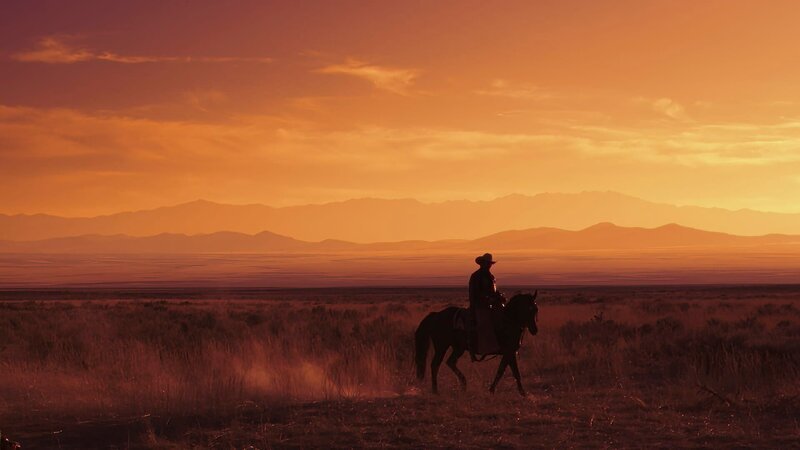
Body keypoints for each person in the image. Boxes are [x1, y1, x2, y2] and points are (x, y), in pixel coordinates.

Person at [468, 253, 505, 360]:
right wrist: (487, 299)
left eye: (490, 264)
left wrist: (499, 297)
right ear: (482, 264)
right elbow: (474, 293)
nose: (489, 265)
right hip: (480, 306)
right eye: (487, 263)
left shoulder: (491, 277)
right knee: (484, 323)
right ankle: (483, 347)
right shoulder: (476, 276)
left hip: (491, 305)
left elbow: (493, 291)